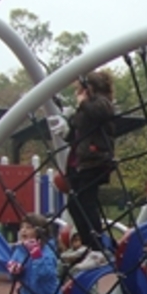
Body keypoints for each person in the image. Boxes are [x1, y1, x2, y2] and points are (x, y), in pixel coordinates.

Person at [53, 70, 116, 259]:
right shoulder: (87, 109)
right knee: (74, 205)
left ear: (89, 89)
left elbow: (102, 113)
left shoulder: (102, 103)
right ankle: (89, 246)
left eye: (79, 90)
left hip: (96, 161)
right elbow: (79, 135)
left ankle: (97, 249)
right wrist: (66, 131)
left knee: (87, 204)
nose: (76, 94)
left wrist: (83, 103)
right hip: (81, 163)